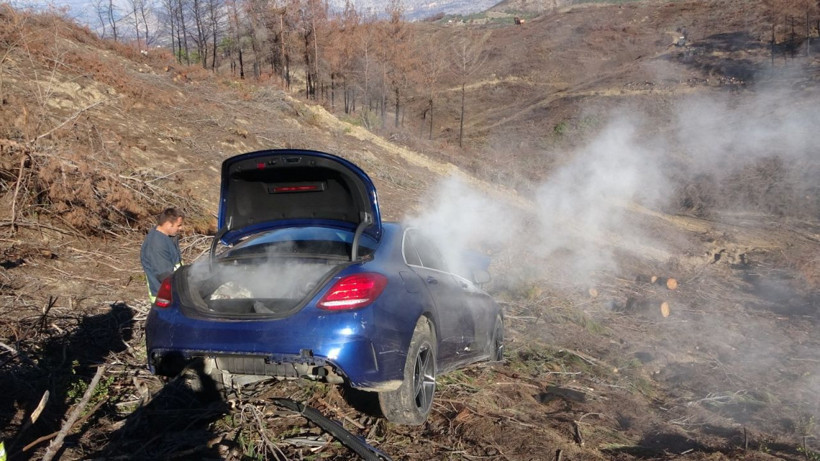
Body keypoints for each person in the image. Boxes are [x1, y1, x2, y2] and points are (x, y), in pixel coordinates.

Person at [140, 208, 184, 303]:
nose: (181, 228)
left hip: (173, 292)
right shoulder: (156, 244)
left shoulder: (167, 237)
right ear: (168, 224)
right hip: (163, 297)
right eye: (178, 225)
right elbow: (165, 276)